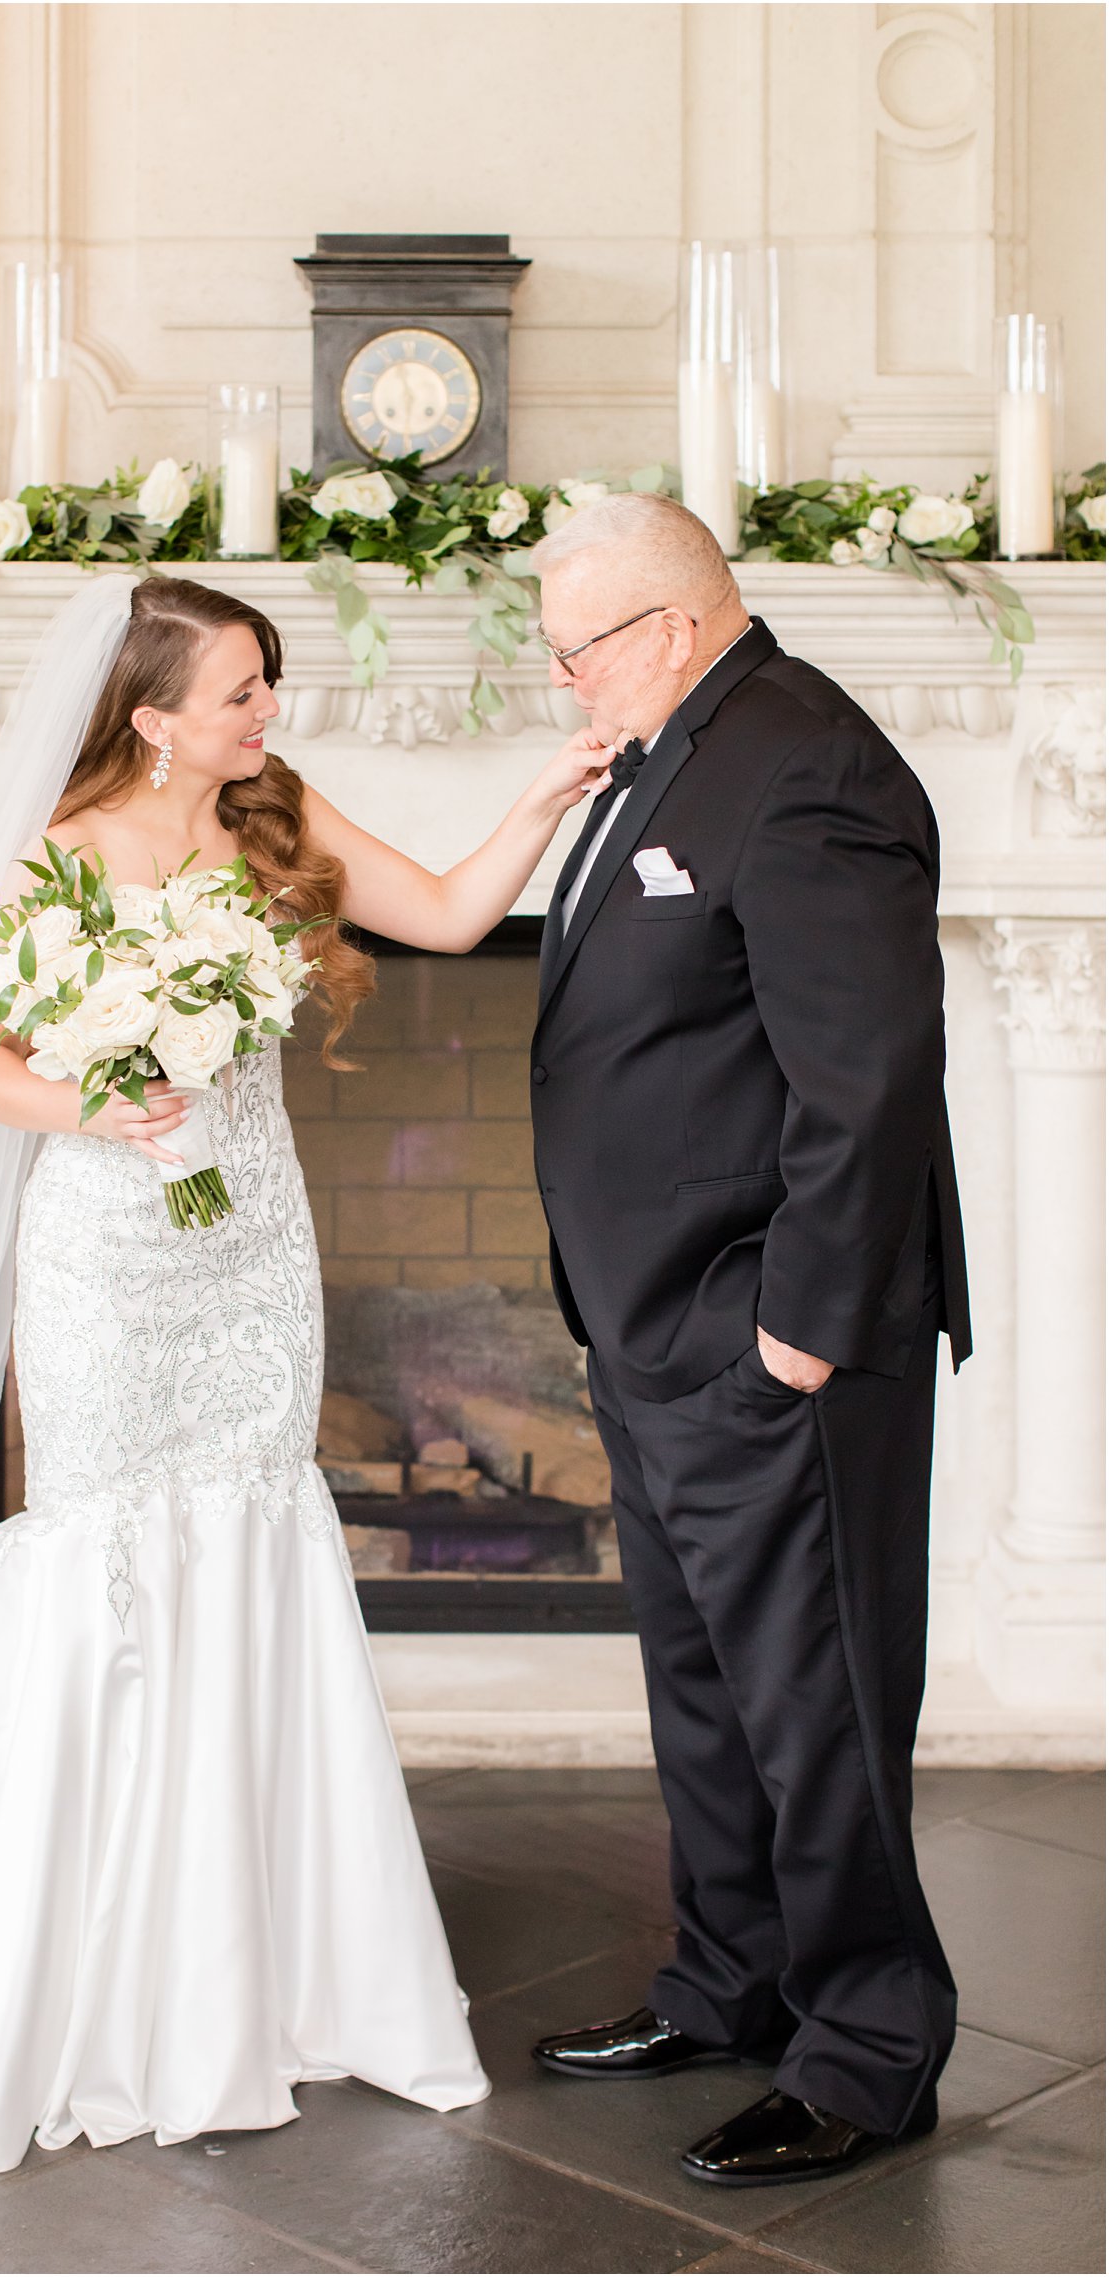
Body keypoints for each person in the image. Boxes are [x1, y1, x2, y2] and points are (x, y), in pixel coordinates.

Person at [0, 572, 610, 2252]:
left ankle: (260, 1962)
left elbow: (438, 913)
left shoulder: (277, 818)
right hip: (105, 1249)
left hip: (254, 1250)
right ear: (150, 713)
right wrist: (104, 1097)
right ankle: (64, 1951)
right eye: (237, 690)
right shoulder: (58, 850)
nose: (265, 711)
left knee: (255, 1534)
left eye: (269, 683)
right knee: (100, 1558)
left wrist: (532, 807)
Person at [524, 492, 971, 2188]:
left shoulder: (808, 766)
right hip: (652, 1329)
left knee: (817, 1704)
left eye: (581, 650)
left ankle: (868, 2048)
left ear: (675, 624)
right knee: (708, 1697)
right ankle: (733, 1977)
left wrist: (793, 1337)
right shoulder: (673, 750)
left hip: (768, 1333)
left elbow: (865, 1085)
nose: (568, 683)